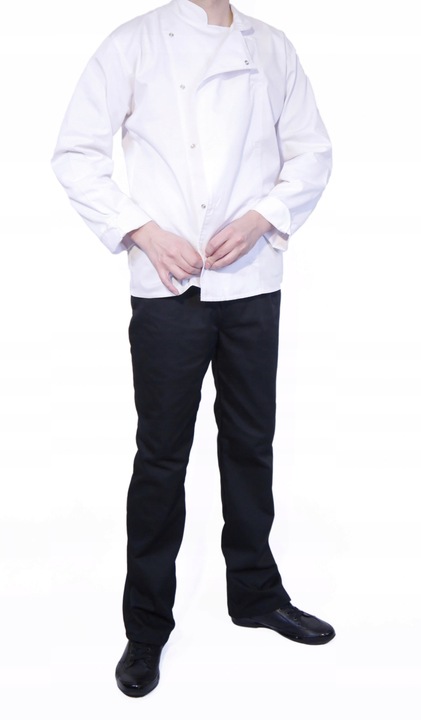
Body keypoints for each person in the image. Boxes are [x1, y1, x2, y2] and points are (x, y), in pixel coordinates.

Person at [52, 0, 334, 698]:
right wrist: (142, 230)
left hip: (252, 281)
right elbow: (76, 153)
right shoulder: (134, 42)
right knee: (161, 458)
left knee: (251, 443)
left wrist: (263, 216)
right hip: (168, 284)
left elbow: (311, 152)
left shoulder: (272, 45)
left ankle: (255, 594)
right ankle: (147, 628)